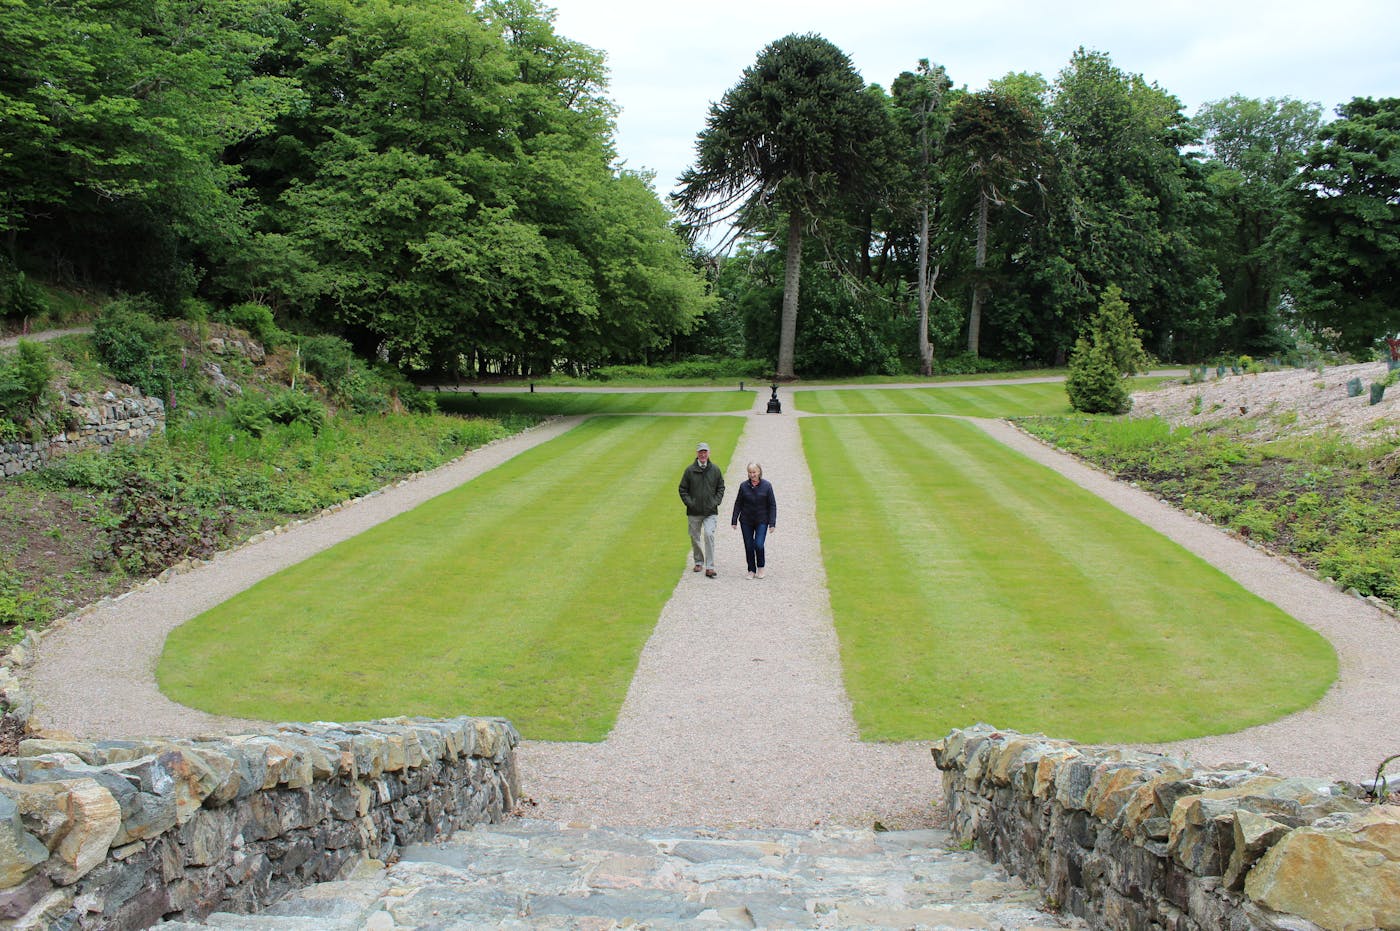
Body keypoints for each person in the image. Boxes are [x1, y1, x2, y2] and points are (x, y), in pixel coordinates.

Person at [678, 442, 725, 578]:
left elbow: (721, 487)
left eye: (705, 452)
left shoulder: (715, 470)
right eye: (700, 452)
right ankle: (699, 561)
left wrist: (715, 502)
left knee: (709, 534)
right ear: (697, 454)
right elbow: (682, 489)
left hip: (710, 511)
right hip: (694, 511)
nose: (703, 454)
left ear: (709, 453)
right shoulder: (689, 470)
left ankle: (710, 567)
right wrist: (690, 503)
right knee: (694, 537)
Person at [730, 462, 777, 579]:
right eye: (750, 472)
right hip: (746, 520)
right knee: (749, 545)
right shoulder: (743, 486)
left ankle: (761, 566)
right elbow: (738, 503)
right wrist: (734, 520)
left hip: (762, 520)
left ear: (759, 472)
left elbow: (772, 505)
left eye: (754, 472)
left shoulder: (767, 486)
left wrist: (772, 523)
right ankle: (751, 569)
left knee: (759, 544)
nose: (752, 475)